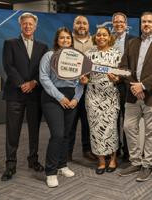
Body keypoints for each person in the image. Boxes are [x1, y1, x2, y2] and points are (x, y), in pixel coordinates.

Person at [118, 12, 152, 182]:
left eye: (150, 22)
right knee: (128, 127)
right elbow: (123, 67)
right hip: (133, 95)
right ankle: (135, 162)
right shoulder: (132, 43)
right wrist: (135, 86)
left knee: (151, 133)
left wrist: (143, 85)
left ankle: (147, 165)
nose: (146, 24)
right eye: (143, 22)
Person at [1, 12, 48, 181]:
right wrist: (22, 84)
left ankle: (33, 160)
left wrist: (34, 82)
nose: (28, 26)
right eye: (25, 24)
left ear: (35, 26)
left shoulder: (43, 47)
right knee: (12, 131)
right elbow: (8, 66)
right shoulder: (10, 43)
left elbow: (43, 70)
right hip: (15, 93)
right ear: (20, 25)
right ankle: (10, 164)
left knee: (34, 130)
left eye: (31, 24)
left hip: (35, 94)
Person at [39, 27, 83, 188]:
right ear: (57, 40)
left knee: (66, 135)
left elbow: (81, 82)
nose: (65, 41)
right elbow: (44, 78)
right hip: (52, 98)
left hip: (71, 99)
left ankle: (62, 165)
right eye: (62, 38)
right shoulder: (49, 55)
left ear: (72, 40)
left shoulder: (77, 58)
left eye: (68, 38)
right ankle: (50, 172)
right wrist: (60, 97)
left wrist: (76, 99)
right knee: (57, 134)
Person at [81, 27, 121, 175]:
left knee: (111, 129)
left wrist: (116, 78)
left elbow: (120, 76)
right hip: (93, 96)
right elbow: (84, 76)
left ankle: (113, 159)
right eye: (99, 35)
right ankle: (101, 161)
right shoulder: (88, 54)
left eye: (104, 34)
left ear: (109, 37)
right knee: (96, 129)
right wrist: (84, 80)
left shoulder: (116, 53)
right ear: (95, 37)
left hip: (110, 96)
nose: (101, 37)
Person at [68, 15, 96, 162]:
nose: (81, 25)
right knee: (70, 121)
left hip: (90, 88)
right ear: (74, 25)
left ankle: (87, 149)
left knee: (87, 121)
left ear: (88, 26)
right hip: (72, 87)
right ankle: (67, 152)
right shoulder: (68, 40)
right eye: (78, 23)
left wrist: (89, 78)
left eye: (84, 23)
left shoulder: (95, 41)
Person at [112, 12, 134, 159]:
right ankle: (114, 149)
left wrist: (120, 75)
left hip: (126, 85)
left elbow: (134, 64)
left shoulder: (133, 41)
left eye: (121, 22)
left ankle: (127, 152)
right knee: (113, 119)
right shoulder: (108, 40)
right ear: (112, 24)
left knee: (127, 120)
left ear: (126, 25)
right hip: (110, 84)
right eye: (116, 22)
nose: (119, 24)